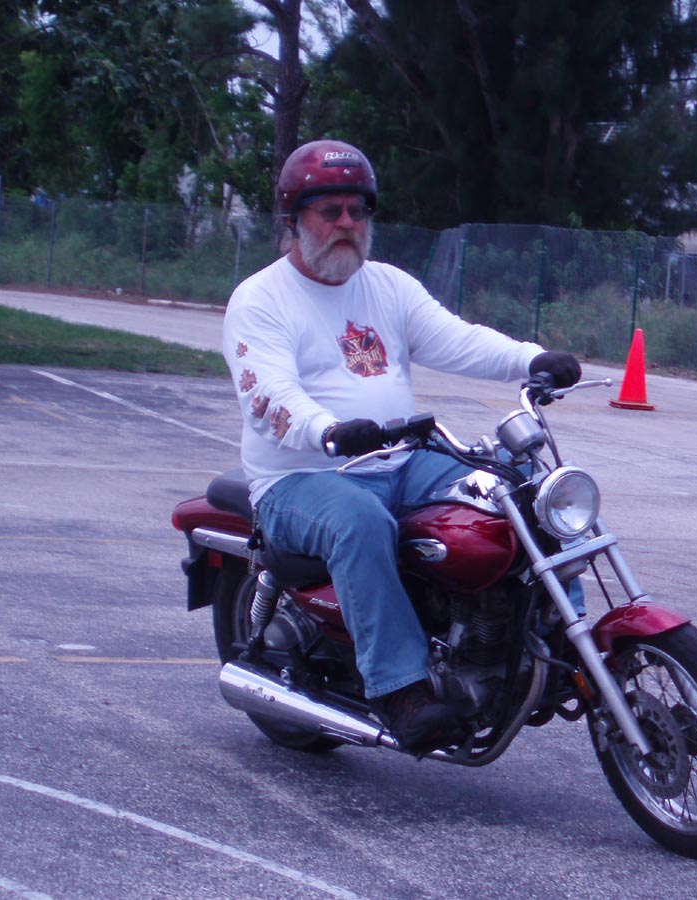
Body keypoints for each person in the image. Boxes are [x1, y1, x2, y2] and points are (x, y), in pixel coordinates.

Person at [221, 139, 581, 749]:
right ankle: (401, 689)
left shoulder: (387, 285)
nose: (346, 222)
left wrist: (532, 359)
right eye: (329, 211)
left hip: (402, 460)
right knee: (359, 522)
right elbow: (269, 396)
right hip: (304, 477)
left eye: (357, 210)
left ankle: (560, 635)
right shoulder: (261, 298)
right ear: (292, 219)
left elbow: (456, 339)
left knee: (519, 488)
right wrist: (327, 431)